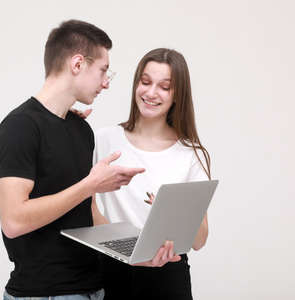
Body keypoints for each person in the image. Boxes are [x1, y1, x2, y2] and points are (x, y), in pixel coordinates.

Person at [0, 20, 147, 300]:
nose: (106, 83)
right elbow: (13, 220)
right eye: (103, 70)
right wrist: (90, 185)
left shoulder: (80, 129)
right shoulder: (20, 127)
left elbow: (88, 213)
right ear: (77, 64)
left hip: (93, 288)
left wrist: (139, 249)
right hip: (43, 294)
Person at [91, 48, 212, 299]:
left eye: (164, 87)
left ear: (177, 95)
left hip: (168, 277)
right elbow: (86, 208)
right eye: (145, 82)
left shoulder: (191, 154)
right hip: (112, 272)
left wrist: (178, 213)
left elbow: (199, 241)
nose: (151, 93)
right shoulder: (104, 140)